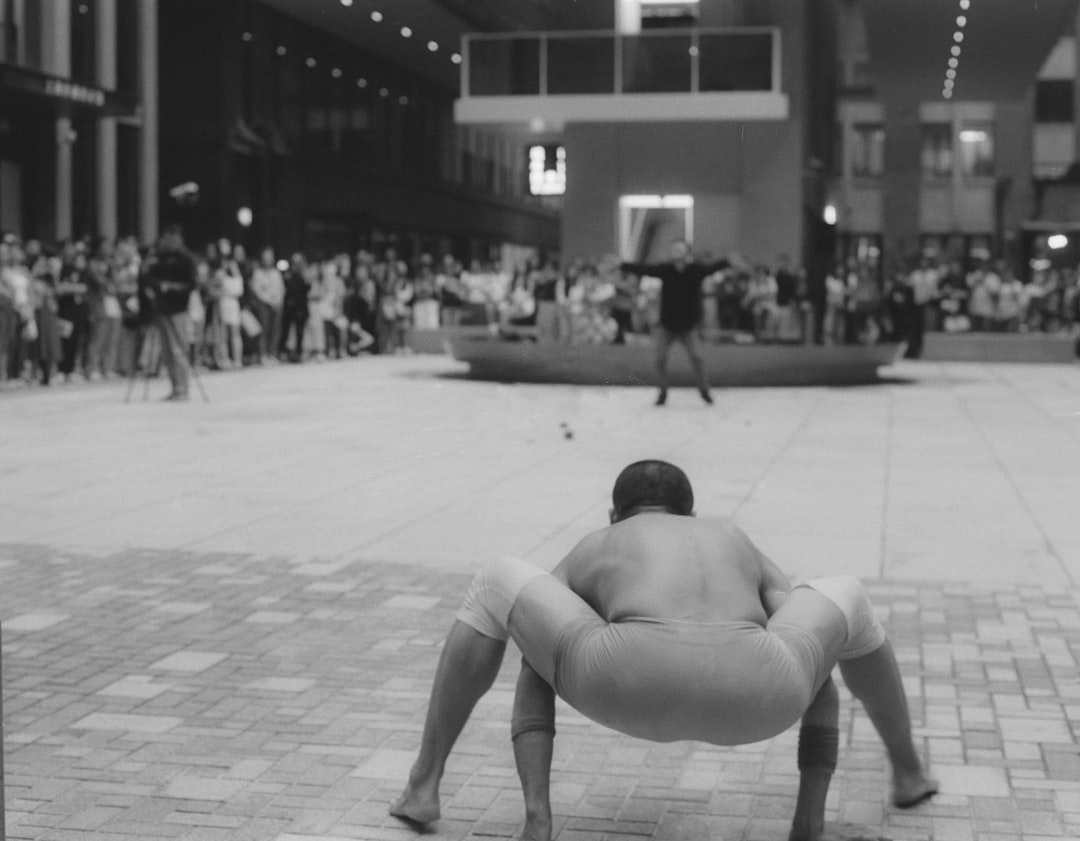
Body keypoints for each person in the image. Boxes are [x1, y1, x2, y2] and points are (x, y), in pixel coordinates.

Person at [391, 461, 937, 841]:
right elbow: (792, 617)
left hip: (622, 682)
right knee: (843, 597)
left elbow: (538, 650)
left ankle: (433, 789)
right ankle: (892, 780)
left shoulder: (599, 542)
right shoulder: (731, 536)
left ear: (615, 515)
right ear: (690, 516)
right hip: (762, 693)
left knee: (498, 584)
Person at [620, 241, 728, 406]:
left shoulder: (695, 271)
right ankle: (662, 393)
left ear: (686, 253)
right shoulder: (666, 270)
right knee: (659, 359)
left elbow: (711, 269)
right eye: (673, 250)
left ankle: (704, 390)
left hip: (688, 327)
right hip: (667, 326)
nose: (674, 252)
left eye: (678, 249)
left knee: (697, 358)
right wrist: (622, 265)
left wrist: (727, 261)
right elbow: (645, 269)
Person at [139, 226, 197, 401]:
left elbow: (191, 283)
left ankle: (183, 388)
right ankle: (174, 386)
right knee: (167, 350)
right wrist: (154, 280)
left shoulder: (186, 259)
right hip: (162, 307)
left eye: (173, 239)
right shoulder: (159, 258)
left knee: (178, 349)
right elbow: (148, 279)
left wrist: (173, 287)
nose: (170, 242)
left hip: (178, 308)